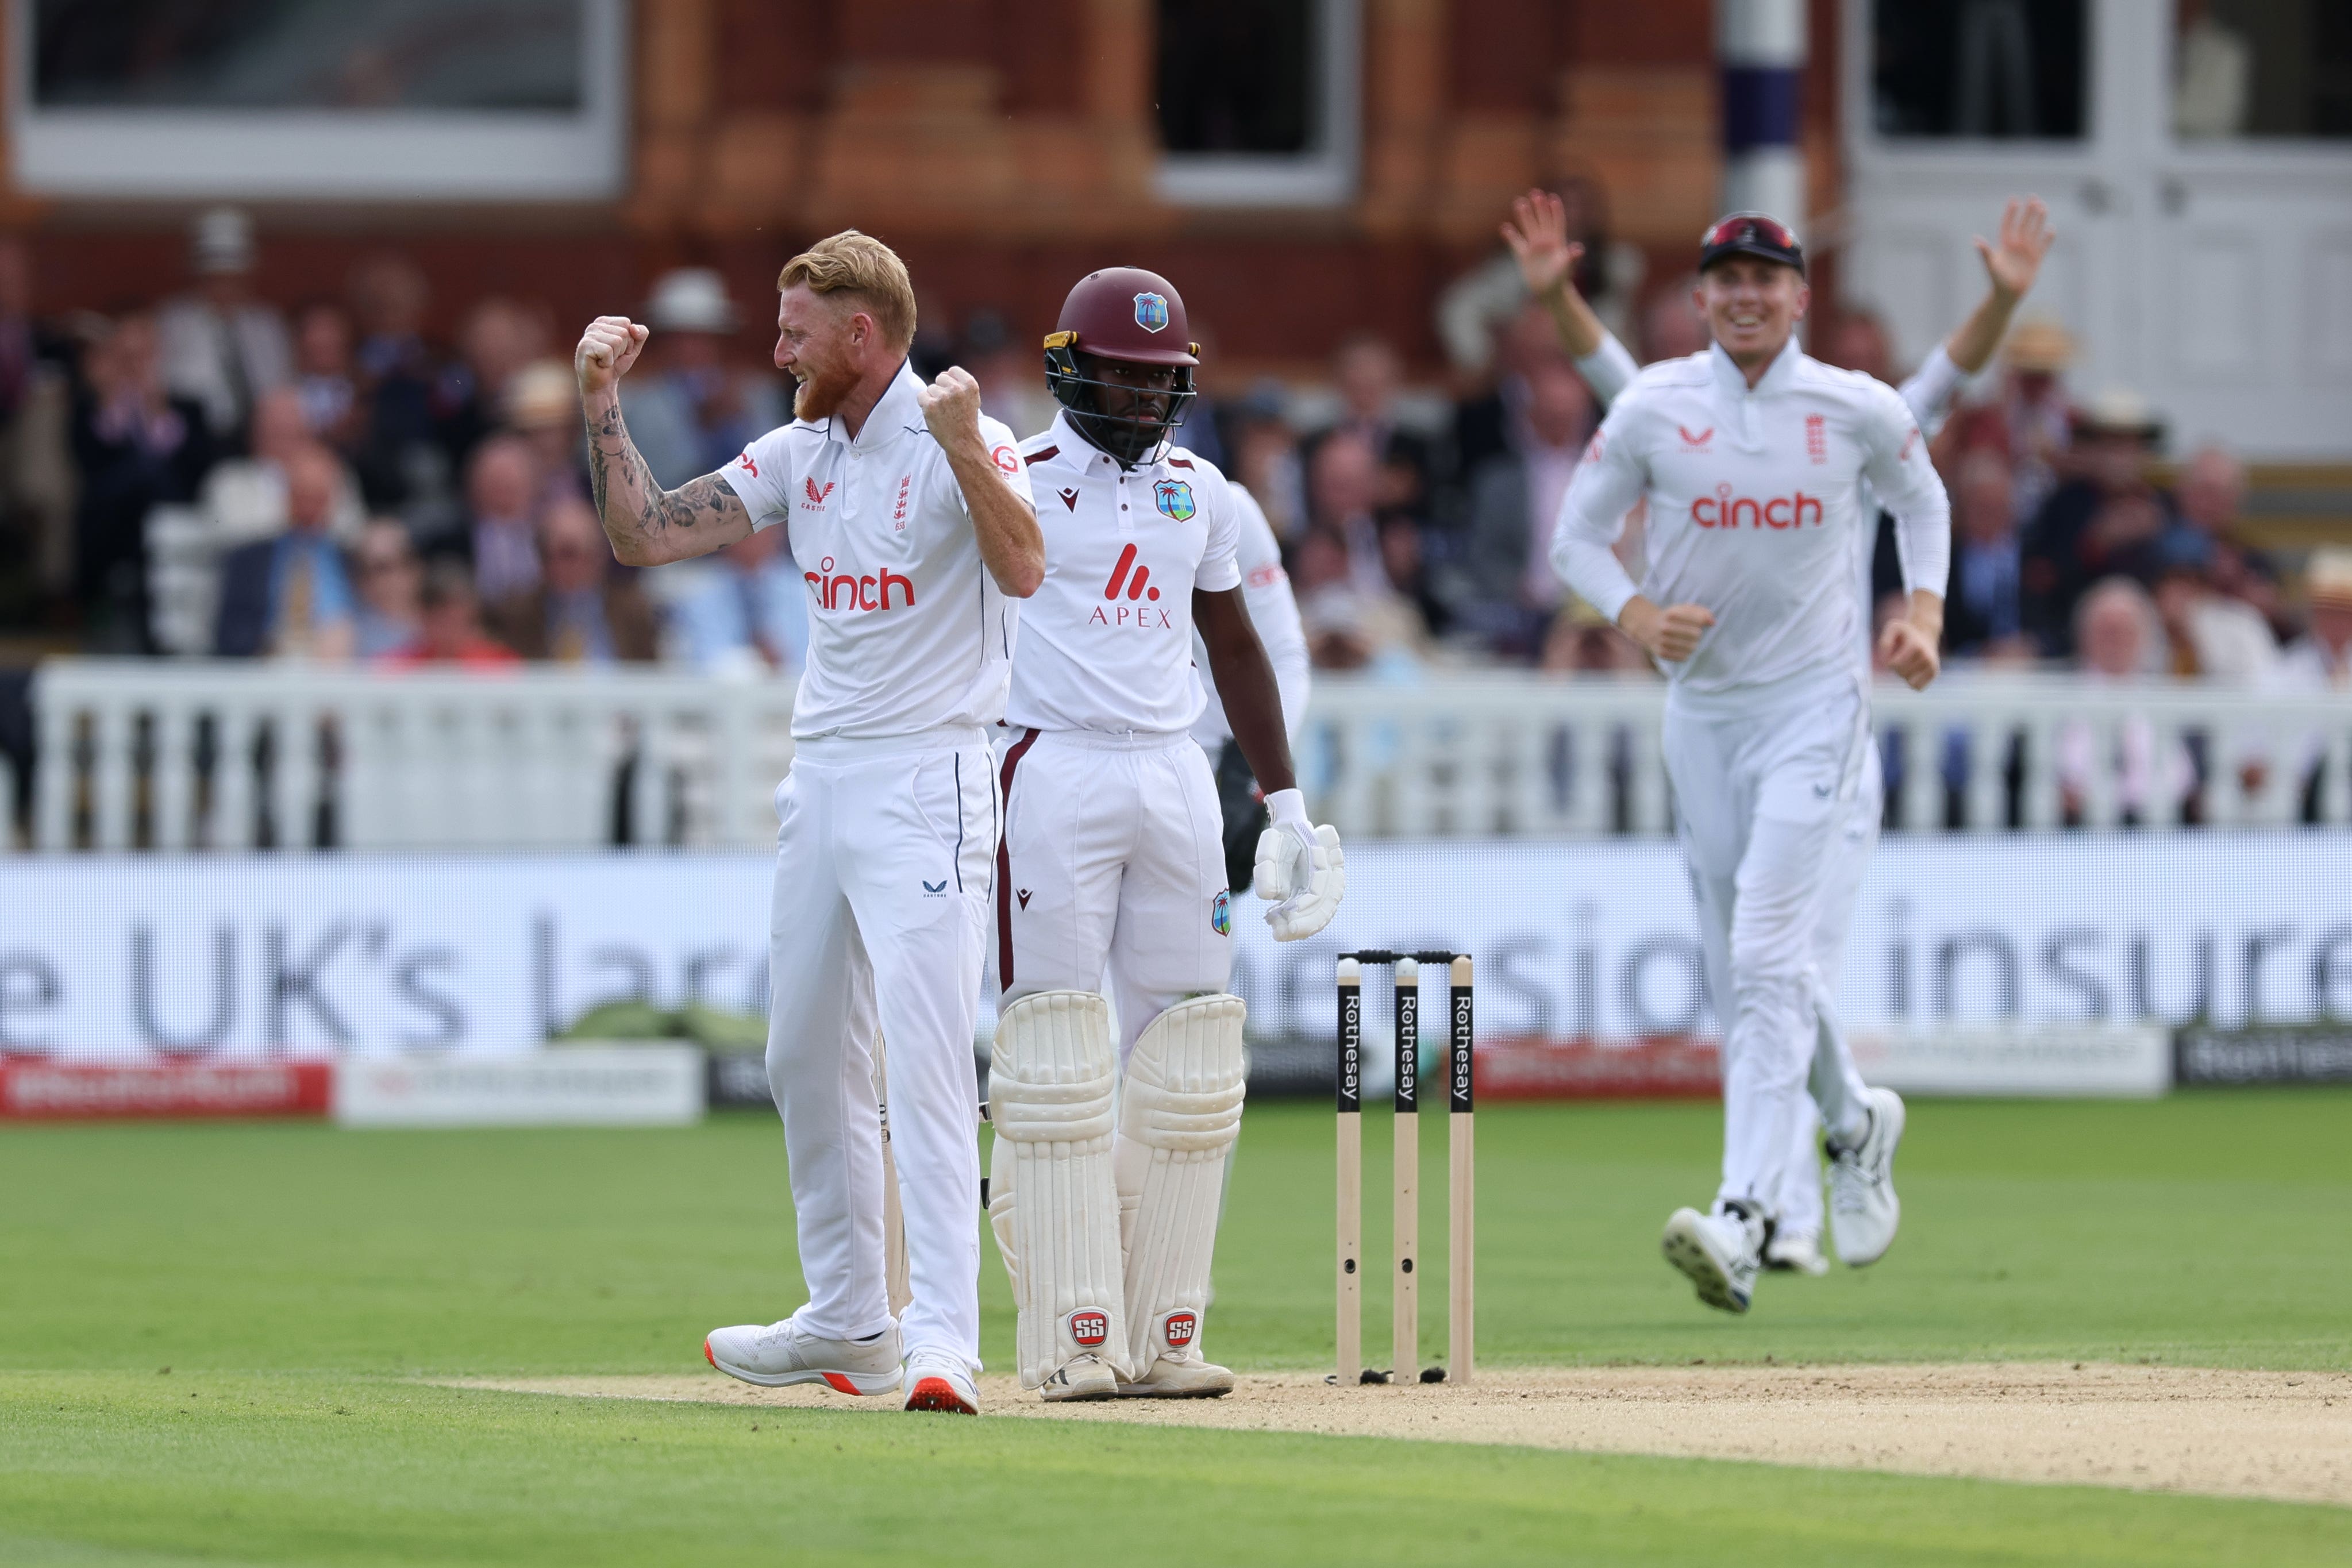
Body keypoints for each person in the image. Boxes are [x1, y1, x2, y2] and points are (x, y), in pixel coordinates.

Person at [1515, 189, 2051, 1273]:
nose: (1745, 295)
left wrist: (1926, 612)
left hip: (1815, 711)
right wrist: (1632, 613)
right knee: (1742, 969)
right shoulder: (1658, 404)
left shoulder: (1849, 405)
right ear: (1702, 299)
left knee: (1765, 952)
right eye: (1726, 280)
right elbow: (1576, 540)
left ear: (1799, 296)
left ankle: (1748, 1213)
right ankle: (1852, 1123)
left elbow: (1925, 495)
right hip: (1701, 713)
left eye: (1766, 278)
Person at [576, 229, 1043, 1416]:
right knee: (801, 1049)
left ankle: (944, 1336)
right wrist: (602, 403)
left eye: (795, 328)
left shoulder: (962, 432)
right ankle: (851, 1316)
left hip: (930, 770)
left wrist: (964, 453)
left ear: (860, 334)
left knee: (930, 1055)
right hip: (823, 774)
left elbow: (1027, 566)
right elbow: (647, 534)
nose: (775, 346)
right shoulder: (802, 447)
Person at [988, 269, 1342, 1403]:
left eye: (1161, 383)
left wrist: (1286, 807)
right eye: (1123, 379)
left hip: (1175, 770)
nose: (1143, 402)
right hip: (1048, 763)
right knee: (1052, 1053)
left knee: (1190, 1052)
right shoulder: (1014, 476)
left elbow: (1234, 646)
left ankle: (1164, 1325)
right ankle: (1069, 1328)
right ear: (1070, 368)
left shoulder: (1200, 493)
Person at [619, 269, 788, 489]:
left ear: (720, 339)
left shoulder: (757, 394)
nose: (691, 348)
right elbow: (659, 480)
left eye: (702, 337)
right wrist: (704, 429)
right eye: (680, 337)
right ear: (663, 342)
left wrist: (740, 421)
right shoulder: (637, 404)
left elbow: (779, 470)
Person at [155, 207, 292, 448]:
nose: (225, 288)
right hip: (196, 439)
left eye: (234, 279)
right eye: (216, 279)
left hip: (259, 436)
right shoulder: (173, 322)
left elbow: (281, 383)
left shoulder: (266, 324)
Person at [213, 443, 359, 660]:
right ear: (286, 496)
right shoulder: (249, 560)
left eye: (318, 498)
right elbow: (230, 635)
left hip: (342, 676)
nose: (309, 509)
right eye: (302, 496)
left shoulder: (353, 561)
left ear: (333, 500)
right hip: (266, 676)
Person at [484, 496, 658, 664]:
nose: (557, 565)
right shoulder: (516, 616)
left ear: (598, 555)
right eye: (547, 553)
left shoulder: (635, 614)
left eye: (569, 554)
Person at [379, 558, 521, 669]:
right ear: (424, 616)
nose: (452, 631)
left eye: (461, 622)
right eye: (444, 622)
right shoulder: (399, 668)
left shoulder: (501, 664)